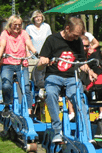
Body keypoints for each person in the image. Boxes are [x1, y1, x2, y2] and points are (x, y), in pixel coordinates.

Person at [37, 16, 97, 144]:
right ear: (67, 28)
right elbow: (39, 65)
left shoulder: (78, 41)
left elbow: (81, 62)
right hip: (54, 75)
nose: (76, 39)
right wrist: (43, 62)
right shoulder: (52, 40)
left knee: (79, 100)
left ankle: (86, 136)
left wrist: (90, 71)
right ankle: (57, 130)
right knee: (51, 93)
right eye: (74, 35)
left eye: (78, 36)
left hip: (71, 77)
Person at [0, 15, 38, 117]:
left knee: (26, 88)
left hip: (21, 64)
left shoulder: (24, 33)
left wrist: (35, 51)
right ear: (10, 25)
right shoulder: (5, 34)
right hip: (7, 64)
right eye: (15, 25)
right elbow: (2, 45)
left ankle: (29, 111)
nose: (17, 27)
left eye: (19, 25)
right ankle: (7, 105)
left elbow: (29, 43)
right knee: (6, 85)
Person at [25, 10, 52, 91]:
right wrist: (27, 53)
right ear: (33, 18)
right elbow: (26, 41)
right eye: (36, 17)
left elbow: (50, 40)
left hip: (45, 54)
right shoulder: (29, 28)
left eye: (39, 16)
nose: (38, 18)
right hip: (33, 56)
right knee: (34, 73)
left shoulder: (46, 27)